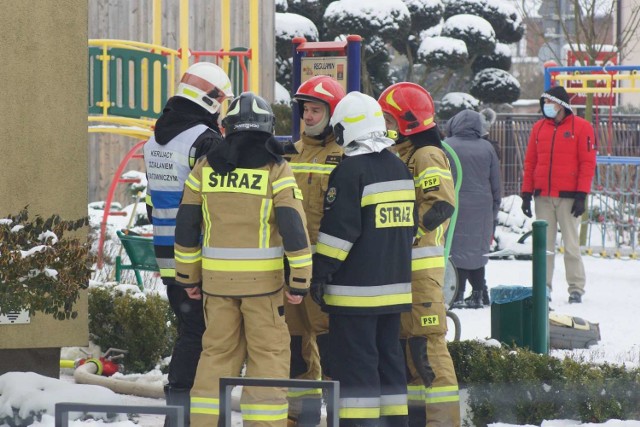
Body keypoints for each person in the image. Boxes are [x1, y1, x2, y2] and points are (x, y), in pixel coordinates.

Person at [174, 91, 312, 427]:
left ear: (227, 128)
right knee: (268, 359)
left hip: (217, 286)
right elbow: (294, 227)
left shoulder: (205, 168)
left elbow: (187, 225)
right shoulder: (277, 169)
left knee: (216, 357)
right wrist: (300, 280)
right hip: (264, 289)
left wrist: (188, 277)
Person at [311, 91, 415, 427]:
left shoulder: (350, 171)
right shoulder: (399, 168)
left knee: (357, 367)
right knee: (389, 362)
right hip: (394, 291)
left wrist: (319, 273)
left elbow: (338, 234)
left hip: (355, 293)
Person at [142, 61, 233, 424]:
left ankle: (179, 414)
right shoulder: (203, 140)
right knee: (200, 336)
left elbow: (153, 201)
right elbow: (216, 198)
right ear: (211, 99)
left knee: (189, 330)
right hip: (195, 254)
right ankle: (184, 416)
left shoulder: (156, 139)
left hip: (167, 254)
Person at [378, 82, 461, 427]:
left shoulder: (427, 155)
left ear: (406, 122)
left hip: (421, 273)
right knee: (409, 353)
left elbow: (441, 204)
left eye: (387, 118)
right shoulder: (405, 153)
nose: (383, 126)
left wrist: (403, 232)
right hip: (405, 270)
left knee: (428, 352)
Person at [285, 75, 346, 427]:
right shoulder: (290, 152)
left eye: (315, 110)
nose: (307, 116)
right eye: (305, 110)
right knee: (296, 349)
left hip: (326, 271)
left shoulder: (344, 156)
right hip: (291, 270)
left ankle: (336, 417)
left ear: (332, 113)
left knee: (329, 349)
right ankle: (301, 418)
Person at [521, 86, 596, 304]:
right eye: (544, 103)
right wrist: (526, 193)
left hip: (570, 197)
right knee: (543, 246)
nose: (546, 107)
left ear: (561, 105)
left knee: (571, 245)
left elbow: (587, 163)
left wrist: (582, 194)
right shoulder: (538, 128)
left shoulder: (582, 128)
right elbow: (530, 162)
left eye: (550, 103)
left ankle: (576, 288)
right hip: (543, 196)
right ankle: (542, 287)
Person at [444, 110, 501, 309]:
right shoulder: (487, 148)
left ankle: (456, 292)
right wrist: (494, 210)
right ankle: (478, 293)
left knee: (455, 249)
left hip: (454, 205)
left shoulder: (447, 146)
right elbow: (496, 183)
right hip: (482, 207)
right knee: (478, 251)